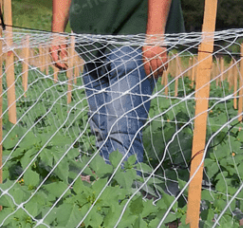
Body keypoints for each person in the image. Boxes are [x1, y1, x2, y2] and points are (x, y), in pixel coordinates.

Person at [51, 0, 183, 165]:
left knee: (122, 134)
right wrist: (57, 32)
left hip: (135, 30)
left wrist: (155, 35)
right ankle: (110, 187)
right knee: (101, 131)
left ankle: (126, 189)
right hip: (92, 36)